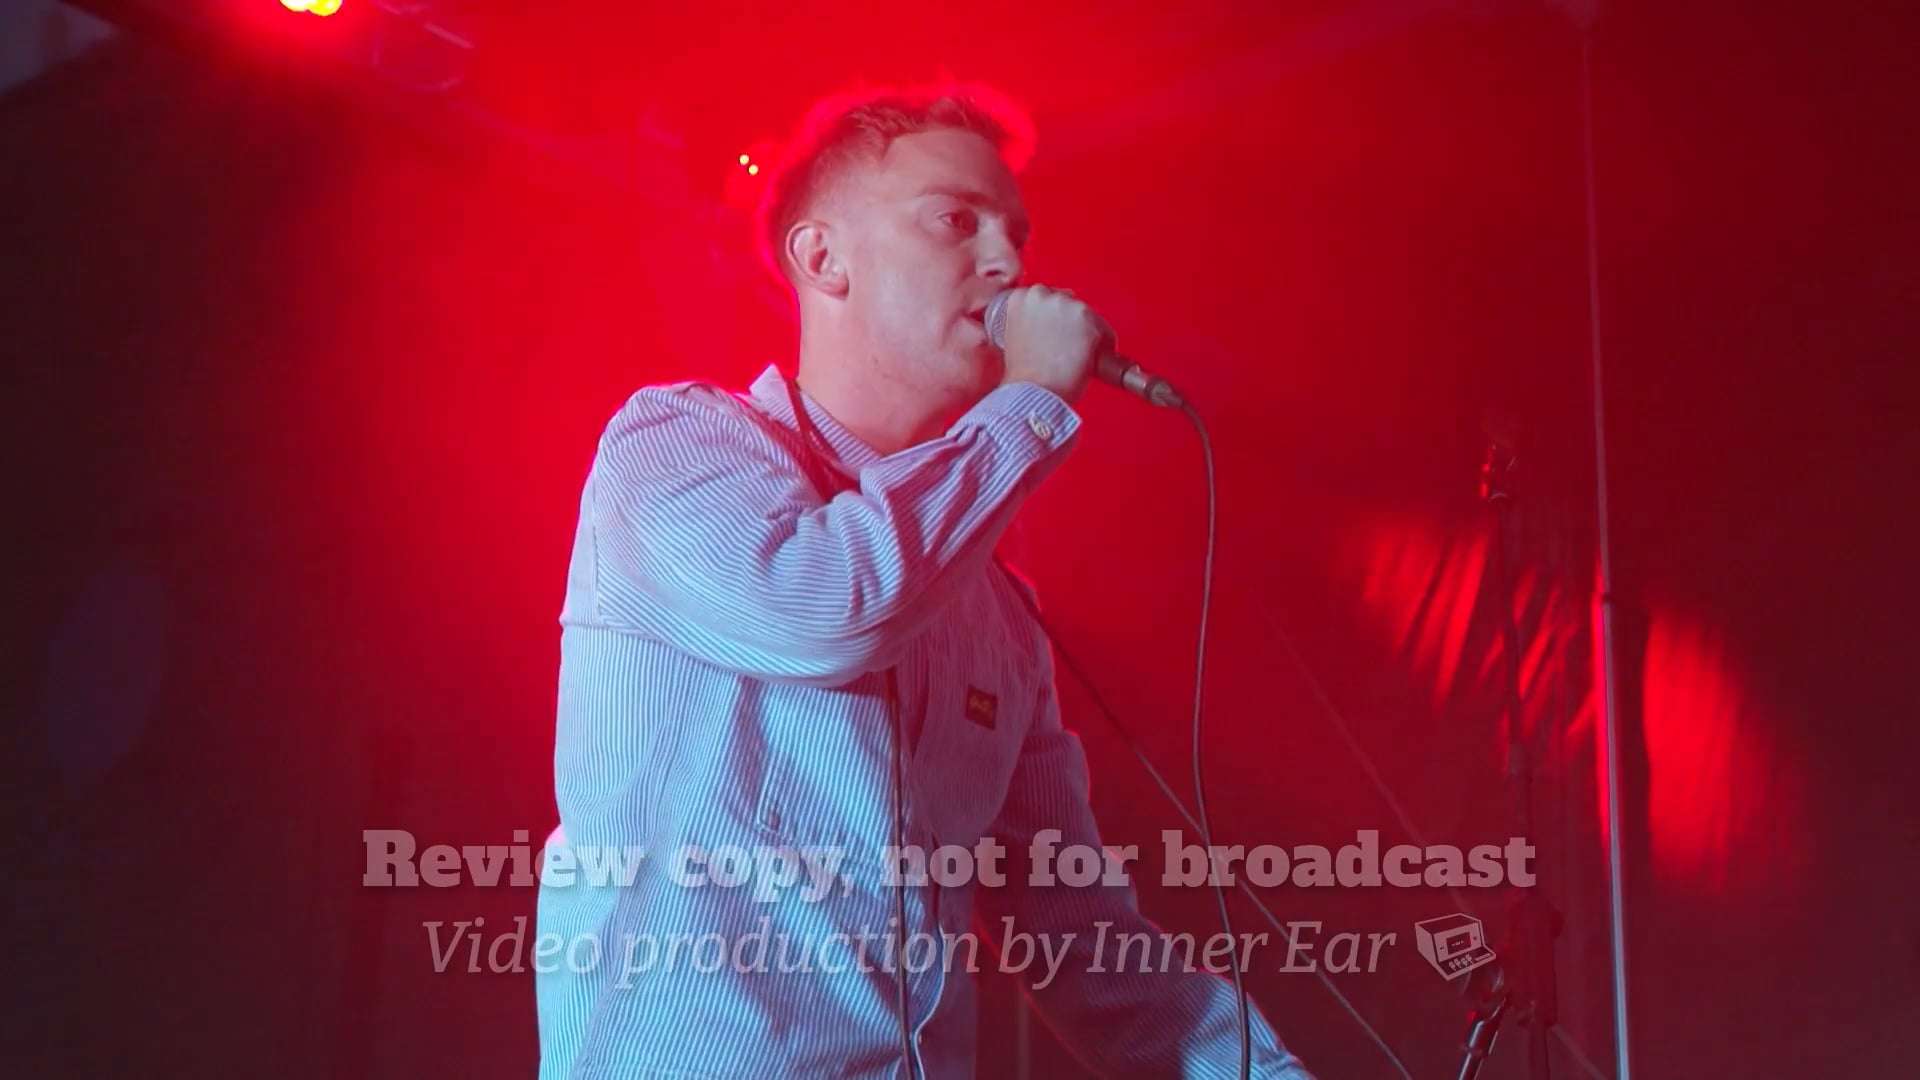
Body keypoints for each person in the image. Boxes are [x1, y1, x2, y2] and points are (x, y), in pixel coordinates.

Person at [535, 83, 1314, 1080]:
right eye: (955, 220)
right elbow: (829, 609)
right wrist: (1029, 403)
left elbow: (1075, 932)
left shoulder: (994, 612)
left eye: (1015, 235)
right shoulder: (677, 446)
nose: (1007, 264)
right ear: (822, 259)